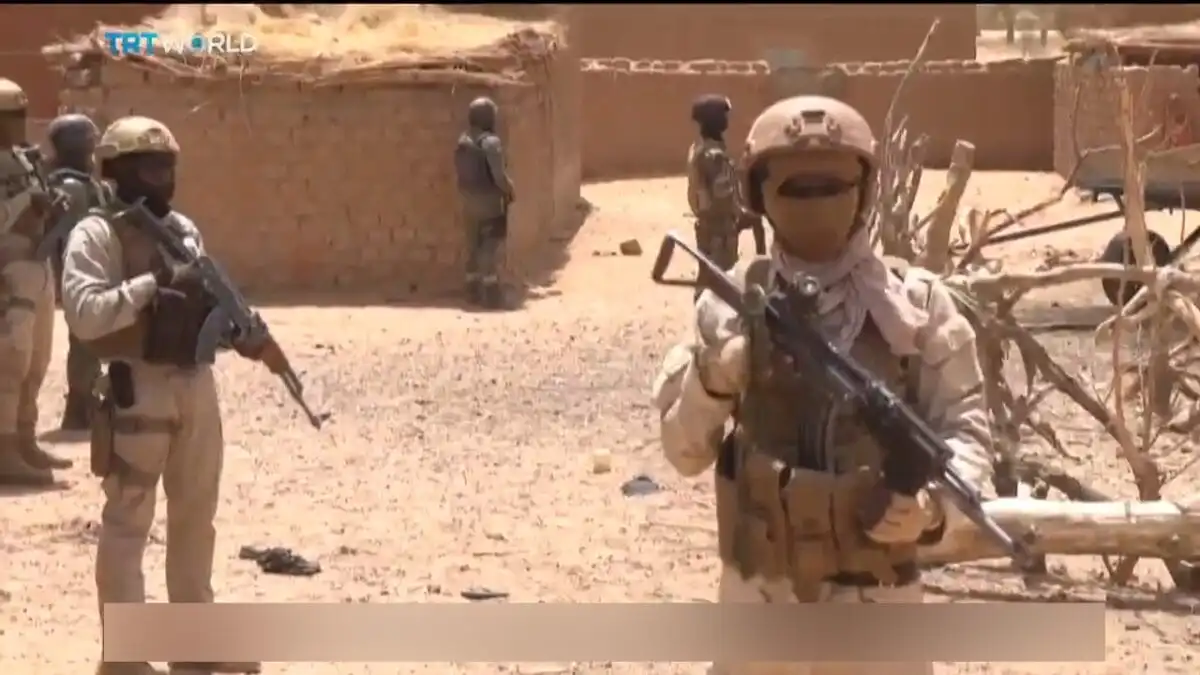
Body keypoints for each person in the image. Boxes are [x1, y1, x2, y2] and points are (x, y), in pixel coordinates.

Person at [652, 96, 992, 675]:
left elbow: (966, 431)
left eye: (832, 186)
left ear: (863, 191)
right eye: (796, 188)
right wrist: (714, 378)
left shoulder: (914, 307)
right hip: (761, 602)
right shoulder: (730, 305)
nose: (815, 203)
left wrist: (932, 508)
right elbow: (682, 452)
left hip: (878, 606)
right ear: (758, 194)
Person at [61, 115, 263, 675]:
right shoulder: (96, 234)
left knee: (196, 518)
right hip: (138, 387)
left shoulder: (183, 229)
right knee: (129, 524)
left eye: (166, 167)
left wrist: (239, 330)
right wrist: (152, 285)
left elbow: (203, 298)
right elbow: (85, 314)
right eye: (148, 168)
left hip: (195, 384)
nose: (161, 178)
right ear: (117, 172)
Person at [0, 77, 70, 485]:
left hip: (36, 265)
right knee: (10, 361)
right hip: (7, 270)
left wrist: (50, 206)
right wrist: (25, 203)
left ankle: (25, 439)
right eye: (8, 116)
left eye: (19, 115)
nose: (17, 124)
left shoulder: (22, 159)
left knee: (36, 361)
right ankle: (4, 450)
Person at [46, 112, 107, 431]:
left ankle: (83, 402)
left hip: (84, 272)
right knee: (85, 341)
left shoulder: (80, 184)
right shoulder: (72, 187)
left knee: (88, 339)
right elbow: (71, 237)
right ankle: (80, 406)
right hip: (79, 273)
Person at [454, 96, 514, 310]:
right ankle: (491, 294)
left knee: (473, 246)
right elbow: (498, 176)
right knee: (489, 246)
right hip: (489, 202)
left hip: (467, 201)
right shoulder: (491, 142)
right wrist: (510, 190)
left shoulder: (463, 140)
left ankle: (471, 291)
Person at [686, 95, 740, 297]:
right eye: (723, 116)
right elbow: (722, 197)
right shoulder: (714, 156)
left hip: (707, 225)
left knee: (708, 276)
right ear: (715, 120)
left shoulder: (699, 149)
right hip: (719, 228)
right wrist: (741, 214)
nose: (727, 120)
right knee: (720, 283)